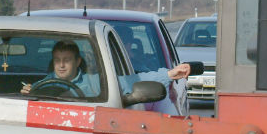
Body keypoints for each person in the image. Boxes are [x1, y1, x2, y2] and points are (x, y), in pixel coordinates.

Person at [21, 40, 191, 100]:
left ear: (78, 61)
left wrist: (169, 74)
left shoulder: (96, 82)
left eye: (67, 60)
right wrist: (28, 94)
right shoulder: (40, 86)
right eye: (57, 60)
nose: (61, 65)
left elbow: (133, 81)